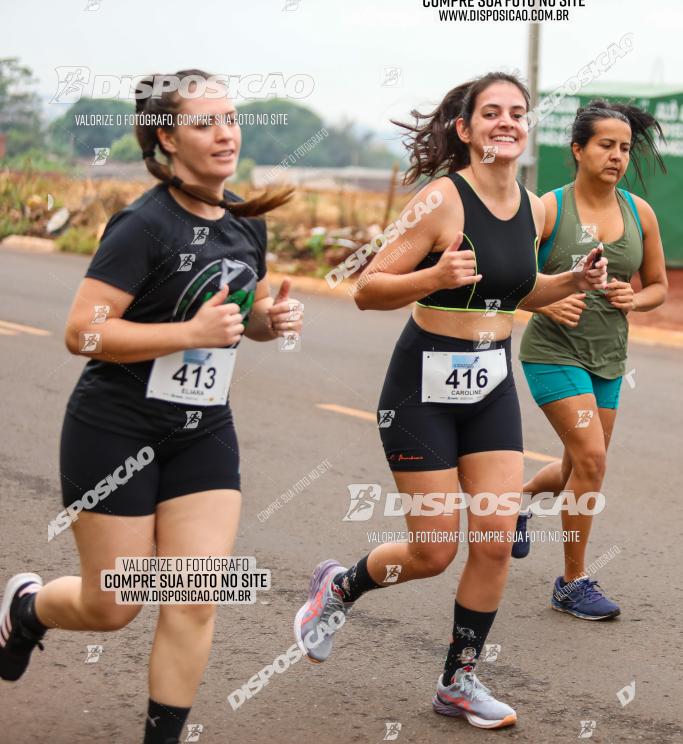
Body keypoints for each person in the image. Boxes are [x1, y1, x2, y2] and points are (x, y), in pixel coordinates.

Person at [293, 72, 607, 730]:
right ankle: (339, 587)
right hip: (422, 387)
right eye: (490, 112)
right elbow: (367, 287)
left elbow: (514, 291)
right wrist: (432, 276)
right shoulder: (441, 199)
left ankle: (457, 680)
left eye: (516, 113)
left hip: (490, 382)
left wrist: (570, 280)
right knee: (434, 551)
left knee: (493, 544)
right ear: (463, 130)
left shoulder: (527, 205)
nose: (506, 122)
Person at [0, 69, 301, 744]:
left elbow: (230, 323)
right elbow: (85, 332)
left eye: (230, 117)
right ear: (166, 136)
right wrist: (190, 333)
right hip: (115, 427)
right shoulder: (143, 225)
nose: (225, 133)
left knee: (195, 595)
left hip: (202, 431)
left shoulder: (243, 223)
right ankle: (27, 608)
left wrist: (264, 323)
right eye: (205, 122)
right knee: (112, 607)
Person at [514, 100, 667, 619]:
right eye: (606, 145)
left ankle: (517, 501)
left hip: (608, 359)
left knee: (577, 464)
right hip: (552, 353)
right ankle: (572, 581)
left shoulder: (638, 212)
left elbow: (659, 289)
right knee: (593, 461)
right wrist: (546, 298)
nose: (617, 156)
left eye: (624, 148)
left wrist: (634, 299)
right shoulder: (548, 209)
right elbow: (510, 280)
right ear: (577, 149)